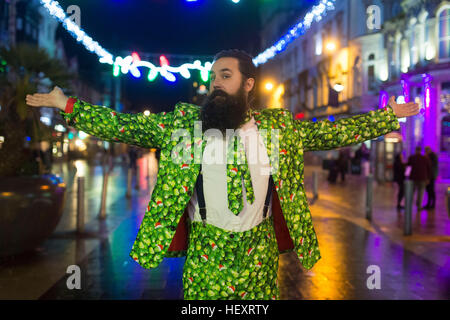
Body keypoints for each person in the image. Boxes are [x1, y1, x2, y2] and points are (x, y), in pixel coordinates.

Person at [26, 49, 420, 300]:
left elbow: (330, 132)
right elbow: (124, 126)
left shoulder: (277, 127)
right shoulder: (186, 124)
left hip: (258, 254)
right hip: (205, 255)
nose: (216, 82)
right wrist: (70, 105)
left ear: (248, 84)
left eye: (225, 76)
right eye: (214, 76)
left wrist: (385, 117)